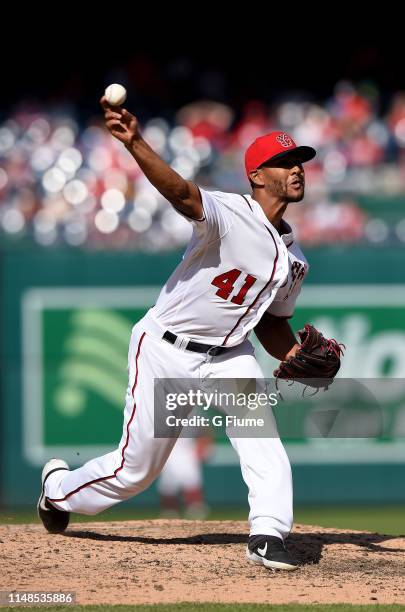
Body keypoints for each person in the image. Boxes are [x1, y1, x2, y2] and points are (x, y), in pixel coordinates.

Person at [38, 97, 318, 571]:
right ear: (256, 176)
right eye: (284, 162)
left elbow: (271, 323)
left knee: (263, 441)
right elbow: (182, 194)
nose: (296, 169)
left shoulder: (296, 260)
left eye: (300, 162)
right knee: (135, 472)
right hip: (165, 348)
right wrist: (136, 143)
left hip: (230, 357)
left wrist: (294, 354)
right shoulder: (229, 212)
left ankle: (268, 534)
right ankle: (57, 489)